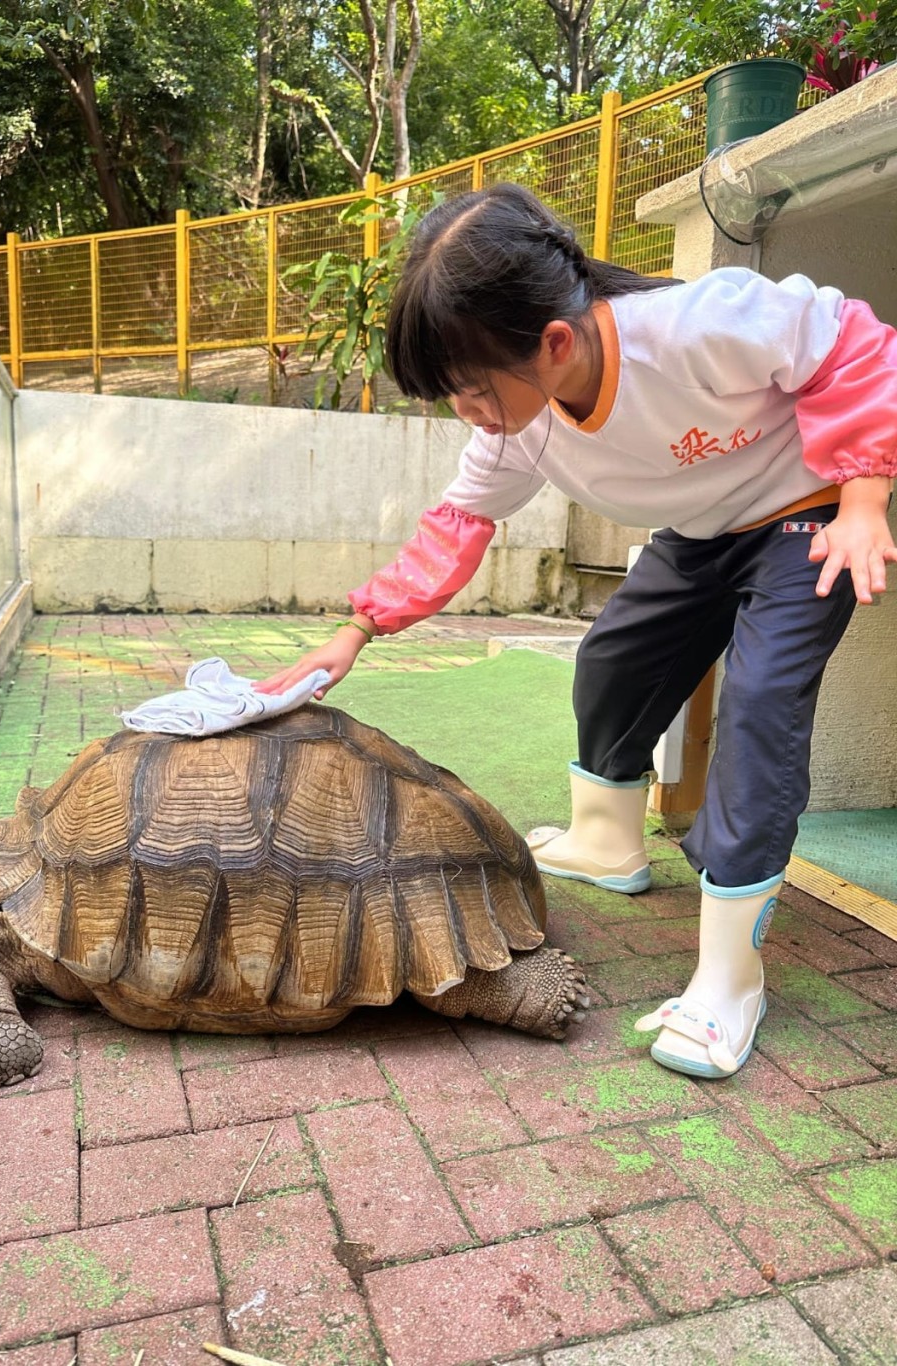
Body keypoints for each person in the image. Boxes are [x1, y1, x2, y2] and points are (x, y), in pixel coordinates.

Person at [256, 181, 897, 1080]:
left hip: (808, 515)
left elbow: (854, 344)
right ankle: (608, 838)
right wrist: (356, 629)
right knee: (614, 660)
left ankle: (730, 977)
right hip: (701, 533)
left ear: (554, 343)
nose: (468, 414)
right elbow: (457, 524)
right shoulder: (516, 426)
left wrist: (865, 500)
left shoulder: (695, 324)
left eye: (472, 389)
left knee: (760, 707)